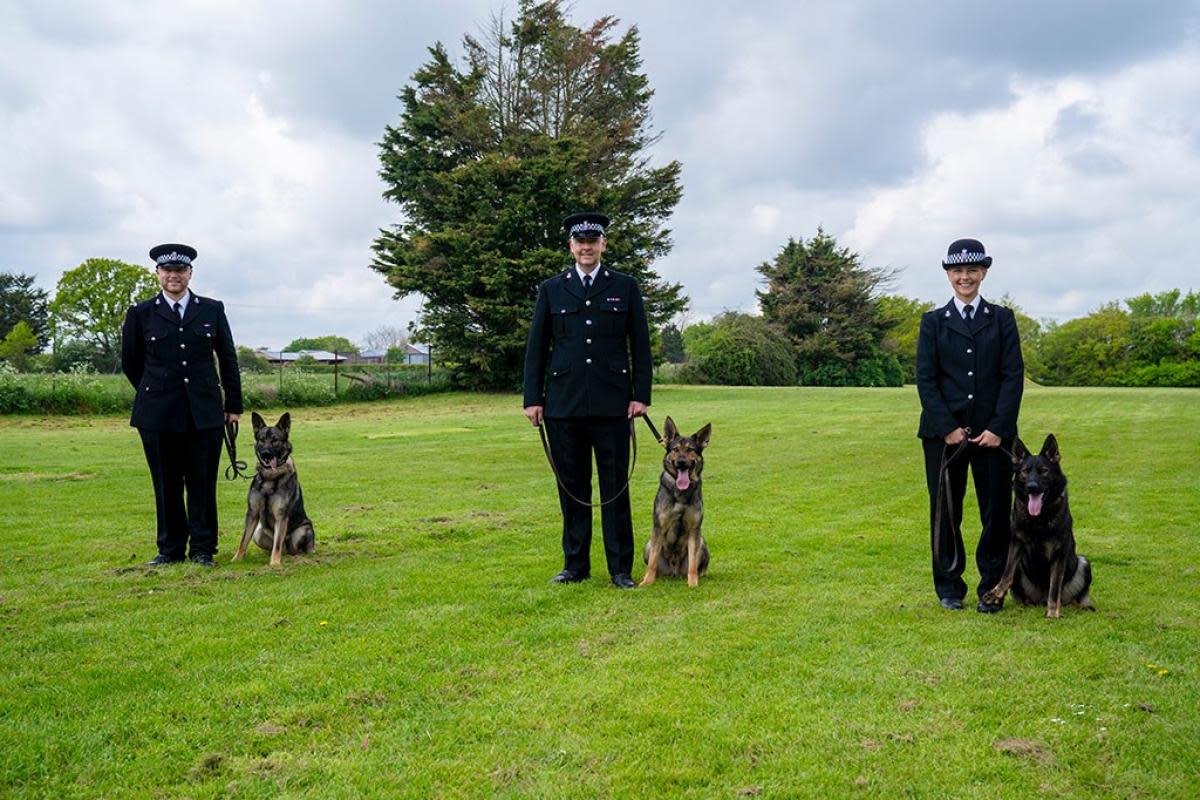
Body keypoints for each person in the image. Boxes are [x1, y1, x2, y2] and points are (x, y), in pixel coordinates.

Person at [523, 213, 653, 589]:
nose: (586, 248)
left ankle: (620, 570)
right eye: (580, 242)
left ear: (603, 245)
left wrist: (640, 396)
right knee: (573, 489)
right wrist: (533, 399)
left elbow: (639, 346)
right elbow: (537, 348)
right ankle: (575, 565)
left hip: (613, 405)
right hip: (563, 406)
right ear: (571, 246)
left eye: (593, 241)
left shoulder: (625, 287)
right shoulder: (552, 289)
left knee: (615, 488)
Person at [916, 238, 1024, 612]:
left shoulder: (1002, 319)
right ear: (948, 274)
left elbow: (1013, 376)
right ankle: (948, 586)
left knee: (995, 512)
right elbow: (926, 379)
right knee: (946, 512)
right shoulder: (932, 322)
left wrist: (998, 428)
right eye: (958, 271)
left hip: (993, 435)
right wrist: (946, 426)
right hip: (943, 437)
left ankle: (992, 588)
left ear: (984, 273)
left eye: (972, 270)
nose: (965, 277)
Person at [120, 243, 243, 566]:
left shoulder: (212, 309)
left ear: (190, 273)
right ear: (158, 273)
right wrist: (154, 391)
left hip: (205, 412)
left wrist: (233, 405)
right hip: (157, 414)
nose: (174, 276)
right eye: (168, 271)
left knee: (202, 482)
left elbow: (228, 359)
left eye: (180, 271)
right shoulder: (141, 313)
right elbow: (131, 362)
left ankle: (203, 549)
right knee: (166, 483)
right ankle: (170, 550)